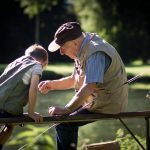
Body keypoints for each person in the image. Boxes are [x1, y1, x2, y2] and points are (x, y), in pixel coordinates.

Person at [38, 22, 128, 150]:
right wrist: (52, 85)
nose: (61, 52)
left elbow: (89, 86)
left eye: (62, 46)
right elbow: (74, 79)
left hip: (108, 104)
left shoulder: (95, 52)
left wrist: (67, 109)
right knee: (63, 120)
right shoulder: (82, 49)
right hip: (95, 102)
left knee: (63, 123)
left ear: (74, 42)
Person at [0, 44, 48, 149]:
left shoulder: (14, 63)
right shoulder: (37, 66)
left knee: (10, 124)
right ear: (44, 62)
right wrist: (31, 112)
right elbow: (33, 89)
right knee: (10, 126)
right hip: (7, 111)